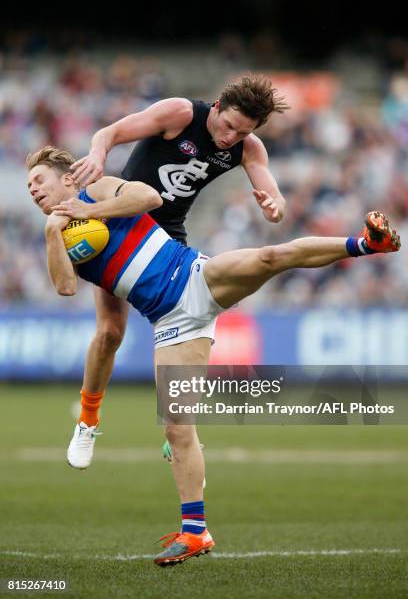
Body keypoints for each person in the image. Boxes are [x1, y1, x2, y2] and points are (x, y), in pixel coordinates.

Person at [27, 146, 400, 566]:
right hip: (173, 325)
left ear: (67, 179)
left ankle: (367, 243)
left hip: (196, 278)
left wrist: (91, 211)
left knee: (269, 257)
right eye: (28, 188)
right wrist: (50, 231)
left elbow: (149, 198)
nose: (33, 190)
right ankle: (195, 532)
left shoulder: (98, 189)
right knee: (176, 429)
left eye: (39, 181)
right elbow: (63, 287)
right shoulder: (57, 234)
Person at [65, 75, 289, 469]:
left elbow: (274, 194)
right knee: (109, 332)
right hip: (120, 223)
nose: (230, 138)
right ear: (217, 106)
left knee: (193, 321)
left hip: (167, 237)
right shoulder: (180, 113)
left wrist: (275, 206)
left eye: (243, 132)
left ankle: (181, 428)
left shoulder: (248, 148)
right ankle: (87, 421)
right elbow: (109, 132)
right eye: (228, 125)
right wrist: (99, 156)